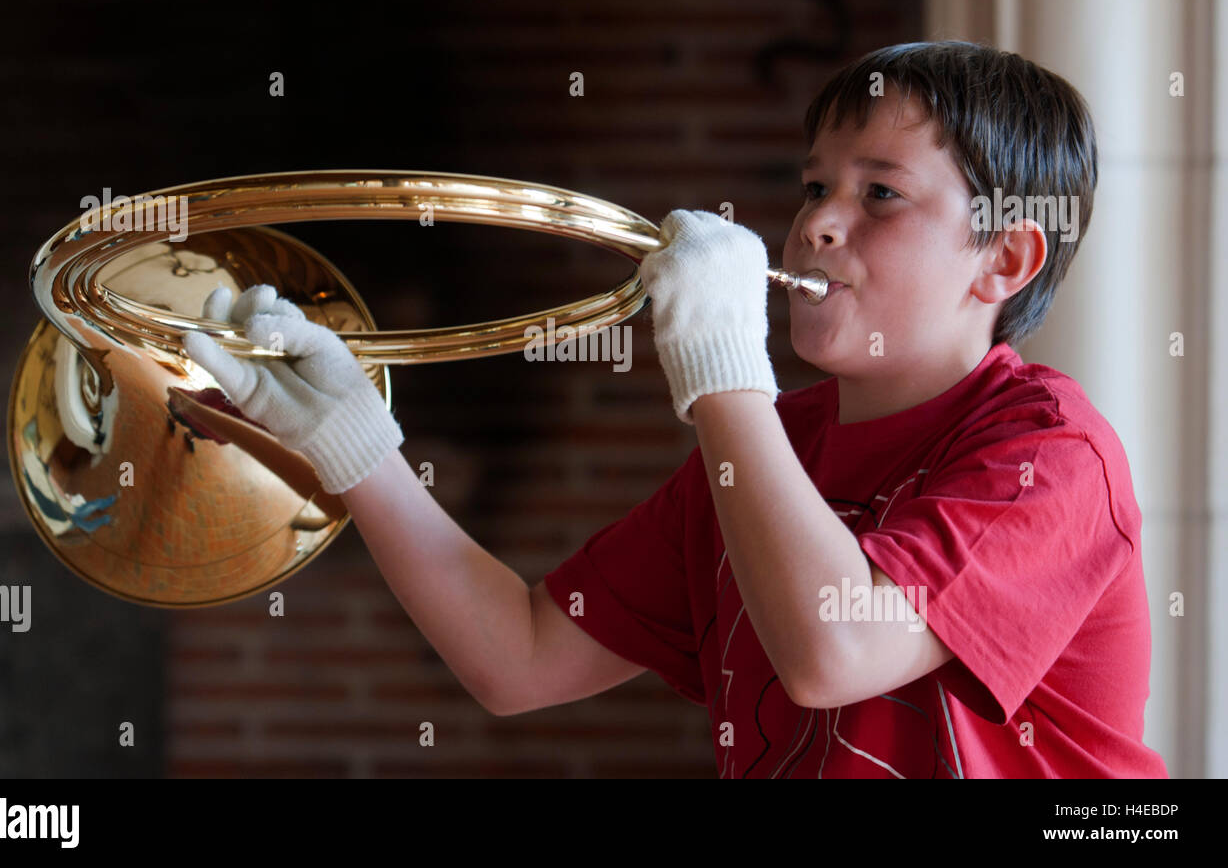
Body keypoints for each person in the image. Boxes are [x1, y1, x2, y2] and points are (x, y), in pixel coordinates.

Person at [183, 40, 1169, 778]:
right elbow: (516, 656)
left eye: (880, 193)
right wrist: (351, 439)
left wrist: (723, 364)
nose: (817, 219)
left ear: (1003, 257)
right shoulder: (768, 452)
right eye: (816, 183)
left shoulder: (1052, 453)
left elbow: (836, 648)